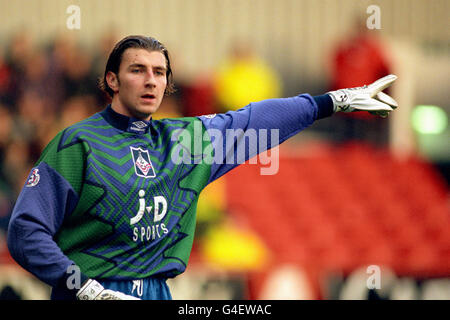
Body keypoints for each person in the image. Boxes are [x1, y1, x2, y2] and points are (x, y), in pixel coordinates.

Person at [7, 35, 398, 300]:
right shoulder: (77, 145)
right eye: (137, 70)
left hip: (159, 291)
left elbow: (253, 120)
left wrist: (331, 101)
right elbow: (26, 231)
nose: (150, 81)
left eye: (159, 73)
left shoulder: (184, 143)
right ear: (111, 79)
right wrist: (82, 286)